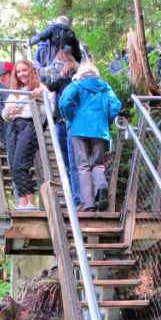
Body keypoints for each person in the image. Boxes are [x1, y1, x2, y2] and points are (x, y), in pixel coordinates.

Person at [59, 63, 122, 213]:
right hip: (99, 131)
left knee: (82, 166)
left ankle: (89, 205)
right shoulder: (105, 87)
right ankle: (101, 185)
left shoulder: (77, 84)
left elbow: (65, 101)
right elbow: (116, 105)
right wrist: (106, 120)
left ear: (81, 73)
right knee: (98, 164)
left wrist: (70, 117)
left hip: (79, 130)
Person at [0, 59, 48, 210]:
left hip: (29, 125)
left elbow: (48, 110)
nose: (21, 74)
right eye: (18, 71)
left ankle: (31, 203)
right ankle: (22, 203)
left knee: (21, 164)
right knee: (13, 166)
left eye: (24, 70)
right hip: (13, 127)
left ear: (31, 71)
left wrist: (40, 96)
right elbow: (4, 114)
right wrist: (9, 110)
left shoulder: (40, 87)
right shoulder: (16, 91)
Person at [46, 50, 81, 205]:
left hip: (63, 121)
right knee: (77, 161)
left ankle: (73, 194)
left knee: (68, 161)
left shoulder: (61, 81)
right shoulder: (79, 82)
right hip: (77, 122)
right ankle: (77, 195)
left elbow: (48, 87)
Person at [0, 61, 14, 142]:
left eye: (3, 77)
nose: (1, 80)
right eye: (0, 78)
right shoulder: (0, 91)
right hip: (6, 133)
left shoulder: (20, 88)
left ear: (12, 75)